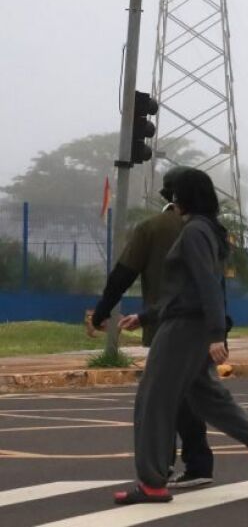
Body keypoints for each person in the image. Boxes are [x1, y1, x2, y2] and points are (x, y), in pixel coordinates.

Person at [113, 168, 248, 505]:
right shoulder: (203, 229)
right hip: (189, 325)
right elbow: (184, 289)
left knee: (153, 401)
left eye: (172, 194)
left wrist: (217, 334)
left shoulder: (195, 232)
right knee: (210, 401)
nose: (169, 201)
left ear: (183, 197)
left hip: (184, 330)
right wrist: (144, 317)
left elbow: (207, 286)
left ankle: (152, 483)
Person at [87, 166, 215, 488]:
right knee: (196, 397)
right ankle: (204, 461)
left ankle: (160, 470)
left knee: (159, 400)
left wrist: (102, 311)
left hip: (168, 327)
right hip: (201, 328)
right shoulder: (208, 228)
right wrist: (218, 331)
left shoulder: (153, 228)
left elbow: (122, 274)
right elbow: (213, 285)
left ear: (169, 196)